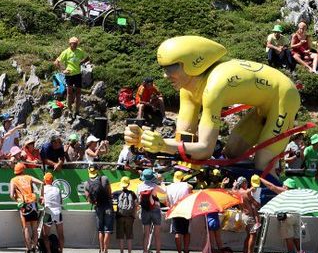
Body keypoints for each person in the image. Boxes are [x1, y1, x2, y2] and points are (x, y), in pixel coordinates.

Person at [124, 36, 300, 173]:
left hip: (283, 96)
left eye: (170, 69)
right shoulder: (187, 89)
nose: (165, 75)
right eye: (163, 69)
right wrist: (144, 142)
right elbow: (185, 139)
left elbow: (205, 149)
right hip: (264, 101)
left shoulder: (214, 87)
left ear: (192, 64)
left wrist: (163, 145)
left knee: (263, 165)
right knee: (231, 152)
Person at [10, 163, 43, 253]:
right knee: (35, 228)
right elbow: (41, 183)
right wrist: (41, 196)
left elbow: (11, 195)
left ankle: (29, 251)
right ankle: (34, 248)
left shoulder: (13, 180)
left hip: (24, 205)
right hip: (33, 204)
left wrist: (17, 200)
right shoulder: (29, 177)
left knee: (26, 228)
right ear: (23, 170)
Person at [55, 37, 90, 119]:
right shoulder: (66, 52)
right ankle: (70, 111)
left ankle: (77, 112)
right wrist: (63, 70)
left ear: (77, 44)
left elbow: (87, 57)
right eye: (72, 43)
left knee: (78, 94)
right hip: (69, 75)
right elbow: (56, 62)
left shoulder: (80, 51)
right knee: (69, 93)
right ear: (69, 44)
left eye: (75, 43)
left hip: (77, 74)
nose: (74, 45)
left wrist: (81, 62)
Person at [85, 166, 114, 253]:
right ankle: (105, 252)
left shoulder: (87, 183)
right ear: (97, 171)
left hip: (98, 208)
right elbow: (110, 193)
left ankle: (101, 251)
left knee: (100, 230)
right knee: (107, 230)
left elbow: (89, 200)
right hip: (108, 206)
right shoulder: (104, 179)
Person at [137, 168, 164, 253]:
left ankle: (145, 252)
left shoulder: (140, 186)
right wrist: (162, 182)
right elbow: (164, 192)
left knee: (146, 233)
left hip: (145, 210)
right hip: (155, 209)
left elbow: (138, 198)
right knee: (157, 234)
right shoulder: (154, 186)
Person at [165, 171, 193, 253]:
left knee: (177, 232)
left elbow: (167, 202)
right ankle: (186, 251)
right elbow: (191, 195)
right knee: (186, 232)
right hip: (185, 210)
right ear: (182, 178)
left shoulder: (169, 187)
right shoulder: (186, 185)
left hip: (175, 211)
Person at [233, 177, 260, 253]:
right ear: (243, 183)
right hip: (250, 216)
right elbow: (256, 205)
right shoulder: (246, 192)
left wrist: (234, 186)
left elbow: (232, 190)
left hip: (244, 215)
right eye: (246, 183)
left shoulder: (236, 192)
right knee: (253, 235)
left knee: (249, 235)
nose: (247, 184)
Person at [113, 176, 138, 253]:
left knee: (121, 236)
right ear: (128, 184)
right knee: (129, 235)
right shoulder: (132, 193)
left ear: (121, 183)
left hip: (119, 216)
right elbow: (136, 204)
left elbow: (113, 204)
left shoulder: (116, 193)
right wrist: (134, 214)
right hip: (129, 217)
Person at [41, 173, 64, 253]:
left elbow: (41, 202)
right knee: (61, 234)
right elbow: (61, 202)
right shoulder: (57, 189)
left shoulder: (43, 188)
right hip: (58, 213)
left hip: (49, 213)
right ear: (52, 180)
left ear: (44, 180)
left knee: (45, 235)